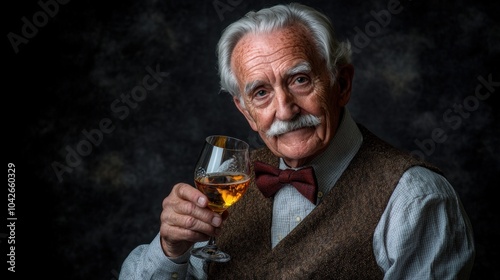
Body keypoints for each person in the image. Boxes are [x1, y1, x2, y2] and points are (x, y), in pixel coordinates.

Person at [119, 3, 475, 279]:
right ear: (245, 112)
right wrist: (171, 249)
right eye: (261, 92)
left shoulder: (417, 200)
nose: (285, 111)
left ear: (342, 84)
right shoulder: (232, 180)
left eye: (300, 80)